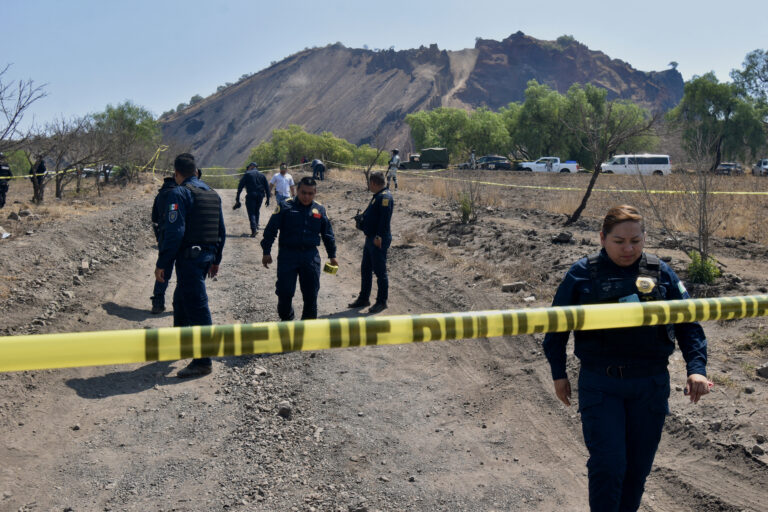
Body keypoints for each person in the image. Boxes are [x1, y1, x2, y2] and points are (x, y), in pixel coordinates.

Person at [542, 205, 710, 511]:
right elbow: (555, 329)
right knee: (609, 466)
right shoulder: (582, 274)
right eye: (619, 241)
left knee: (636, 471)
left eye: (636, 240)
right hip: (601, 384)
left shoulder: (661, 273)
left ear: (645, 237)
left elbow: (690, 324)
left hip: (650, 386)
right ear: (602, 238)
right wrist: (558, 373)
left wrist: (696, 369)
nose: (628, 248)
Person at [155, 153, 226, 378]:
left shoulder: (179, 192)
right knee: (181, 299)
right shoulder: (212, 193)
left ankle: (203, 361)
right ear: (195, 171)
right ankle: (182, 343)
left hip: (190, 259)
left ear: (177, 174)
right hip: (205, 257)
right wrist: (216, 259)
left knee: (197, 305)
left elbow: (175, 232)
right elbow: (221, 231)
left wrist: (162, 263)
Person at [261, 176, 337, 321]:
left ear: (315, 193)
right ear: (296, 190)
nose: (306, 196)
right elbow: (271, 230)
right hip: (287, 256)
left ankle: (307, 331)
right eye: (303, 192)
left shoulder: (319, 209)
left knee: (311, 295)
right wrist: (266, 251)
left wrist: (332, 255)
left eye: (310, 193)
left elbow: (328, 234)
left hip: (310, 257)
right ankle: (287, 324)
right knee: (284, 293)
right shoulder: (285, 206)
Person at [348, 171, 393, 314]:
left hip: (378, 239)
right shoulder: (378, 196)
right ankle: (364, 298)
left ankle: (381, 301)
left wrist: (379, 237)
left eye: (369, 183)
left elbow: (384, 220)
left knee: (380, 271)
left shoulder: (385, 197)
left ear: (373, 183)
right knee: (366, 269)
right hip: (370, 238)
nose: (369, 186)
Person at [149, 175, 179, 314]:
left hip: (164, 235)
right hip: (180, 236)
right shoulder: (181, 192)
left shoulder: (160, 195)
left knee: (163, 269)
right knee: (183, 271)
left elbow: (154, 218)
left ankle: (157, 302)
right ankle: (180, 303)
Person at [234, 162, 270, 237]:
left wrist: (237, 197)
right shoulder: (262, 175)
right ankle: (256, 226)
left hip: (251, 195)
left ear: (252, 166)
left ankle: (254, 229)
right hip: (260, 196)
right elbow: (267, 188)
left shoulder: (247, 174)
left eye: (249, 166)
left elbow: (240, 186)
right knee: (256, 211)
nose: (248, 168)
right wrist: (268, 199)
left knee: (251, 212)